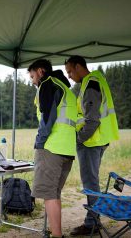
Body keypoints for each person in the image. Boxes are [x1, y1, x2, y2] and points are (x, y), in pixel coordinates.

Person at [65, 55, 119, 236]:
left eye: (70, 71)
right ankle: (93, 220)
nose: (70, 76)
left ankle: (92, 223)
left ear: (79, 67)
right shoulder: (94, 80)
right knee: (92, 181)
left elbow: (92, 120)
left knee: (90, 183)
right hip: (97, 140)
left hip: (91, 141)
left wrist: (79, 139)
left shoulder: (90, 85)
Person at [28, 59, 77, 238]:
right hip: (67, 150)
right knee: (54, 193)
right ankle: (56, 232)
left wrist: (39, 142)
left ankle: (57, 235)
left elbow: (48, 117)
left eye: (32, 76)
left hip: (51, 148)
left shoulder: (47, 84)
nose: (32, 81)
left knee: (49, 194)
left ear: (41, 71)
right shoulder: (67, 90)